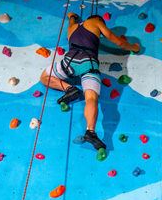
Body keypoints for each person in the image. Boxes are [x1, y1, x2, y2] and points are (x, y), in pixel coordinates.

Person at [40, 12, 141, 151]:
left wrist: (72, 17)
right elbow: (118, 42)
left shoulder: (72, 28)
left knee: (44, 77)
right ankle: (90, 131)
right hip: (89, 63)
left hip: (70, 61)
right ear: (98, 20)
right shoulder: (96, 22)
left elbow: (71, 22)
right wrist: (134, 47)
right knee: (91, 99)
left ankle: (70, 89)